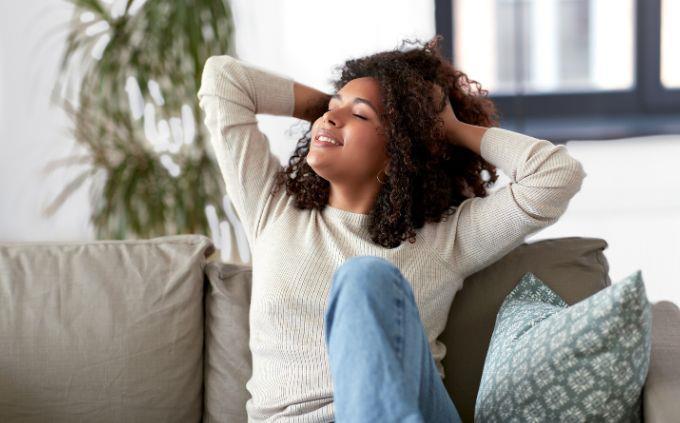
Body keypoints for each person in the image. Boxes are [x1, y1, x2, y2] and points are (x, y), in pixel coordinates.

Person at [197, 34, 586, 422]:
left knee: (365, 277)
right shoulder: (272, 208)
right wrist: (335, 115)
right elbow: (223, 80)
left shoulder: (444, 240)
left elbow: (556, 175)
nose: (331, 116)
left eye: (361, 115)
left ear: (401, 149)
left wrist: (444, 129)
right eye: (333, 107)